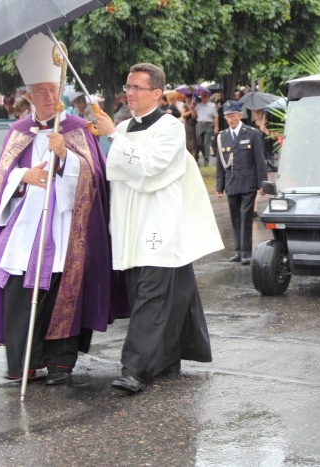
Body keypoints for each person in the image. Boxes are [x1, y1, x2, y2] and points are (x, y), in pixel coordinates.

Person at [0, 33, 126, 385]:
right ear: (29, 96)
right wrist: (25, 176)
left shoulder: (77, 129)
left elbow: (96, 176)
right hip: (25, 230)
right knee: (19, 294)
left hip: (66, 227)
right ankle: (25, 361)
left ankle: (59, 363)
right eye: (41, 91)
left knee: (63, 292)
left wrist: (66, 155)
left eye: (53, 90)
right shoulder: (18, 132)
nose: (49, 96)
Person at [95, 62, 224, 394]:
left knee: (150, 299)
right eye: (127, 86)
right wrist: (111, 135)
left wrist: (112, 136)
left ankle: (134, 369)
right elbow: (117, 173)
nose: (130, 92)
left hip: (158, 225)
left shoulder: (171, 127)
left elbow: (149, 168)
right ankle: (166, 358)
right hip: (129, 225)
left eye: (137, 87)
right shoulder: (124, 128)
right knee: (159, 293)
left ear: (156, 93)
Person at [215, 100, 267, 265]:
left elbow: (260, 160)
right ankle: (238, 251)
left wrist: (262, 183)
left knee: (245, 216)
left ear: (240, 115)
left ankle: (246, 252)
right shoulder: (222, 137)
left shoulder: (251, 133)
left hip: (248, 182)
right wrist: (219, 186)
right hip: (231, 183)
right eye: (227, 116)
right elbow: (220, 163)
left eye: (233, 116)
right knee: (235, 218)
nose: (230, 120)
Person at [191, 90, 218, 166]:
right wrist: (192, 109)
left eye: (205, 96)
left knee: (206, 143)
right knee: (199, 142)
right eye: (202, 96)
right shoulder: (198, 106)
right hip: (200, 124)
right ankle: (198, 156)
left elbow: (215, 116)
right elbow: (194, 116)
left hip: (209, 124)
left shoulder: (212, 105)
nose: (203, 98)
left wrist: (216, 127)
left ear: (208, 97)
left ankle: (206, 160)